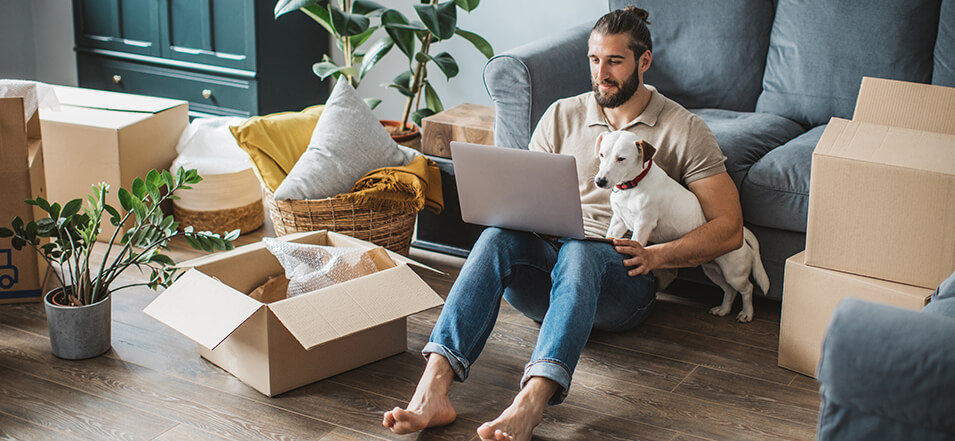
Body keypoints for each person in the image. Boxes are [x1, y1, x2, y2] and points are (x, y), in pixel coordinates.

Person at [383, 6, 743, 441]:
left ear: (644, 62)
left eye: (615, 61)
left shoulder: (684, 129)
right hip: (548, 278)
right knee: (498, 236)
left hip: (625, 286)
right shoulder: (560, 115)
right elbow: (524, 193)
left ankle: (531, 403)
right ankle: (431, 391)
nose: (601, 73)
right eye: (594, 60)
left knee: (580, 251)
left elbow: (729, 228)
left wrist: (656, 255)